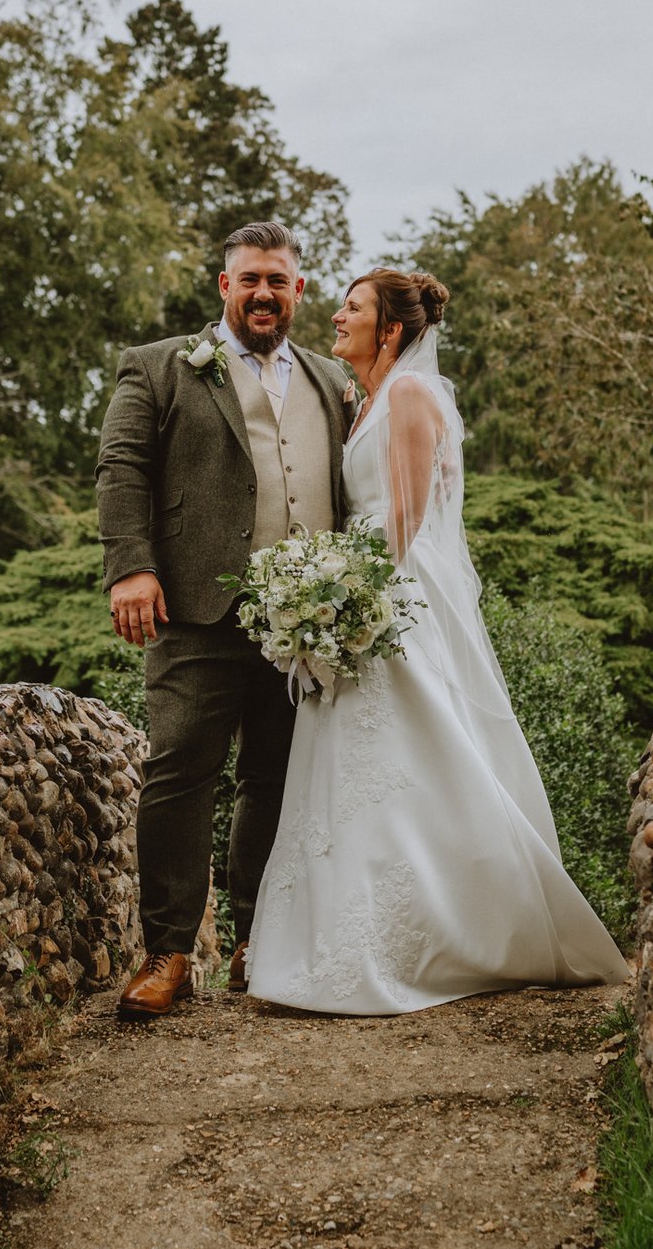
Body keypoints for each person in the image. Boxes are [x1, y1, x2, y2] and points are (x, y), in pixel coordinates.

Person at [246, 268, 630, 1013]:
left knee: (411, 758)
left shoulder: (413, 395)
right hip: (352, 591)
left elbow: (408, 517)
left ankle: (445, 936)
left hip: (387, 598)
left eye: (352, 307)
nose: (337, 315)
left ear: (390, 328)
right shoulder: (361, 401)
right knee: (353, 770)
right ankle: (335, 946)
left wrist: (349, 606)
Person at [95, 222, 361, 1018]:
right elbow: (121, 467)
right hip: (196, 608)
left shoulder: (328, 379)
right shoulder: (160, 366)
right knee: (179, 769)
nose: (263, 294)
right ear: (224, 286)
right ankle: (168, 951)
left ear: (298, 291)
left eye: (278, 280)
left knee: (276, 781)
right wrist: (131, 567)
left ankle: (259, 943)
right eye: (249, 279)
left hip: (302, 623)